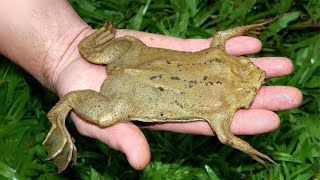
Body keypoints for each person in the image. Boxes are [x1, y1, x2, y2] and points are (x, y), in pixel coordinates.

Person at [0, 0, 302, 170]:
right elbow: (228, 140)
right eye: (250, 70)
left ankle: (84, 56)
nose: (255, 74)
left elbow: (222, 35)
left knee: (102, 92)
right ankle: (62, 109)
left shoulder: (218, 62)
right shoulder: (222, 107)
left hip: (131, 69)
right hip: (127, 87)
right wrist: (252, 151)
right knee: (106, 115)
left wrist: (248, 28)